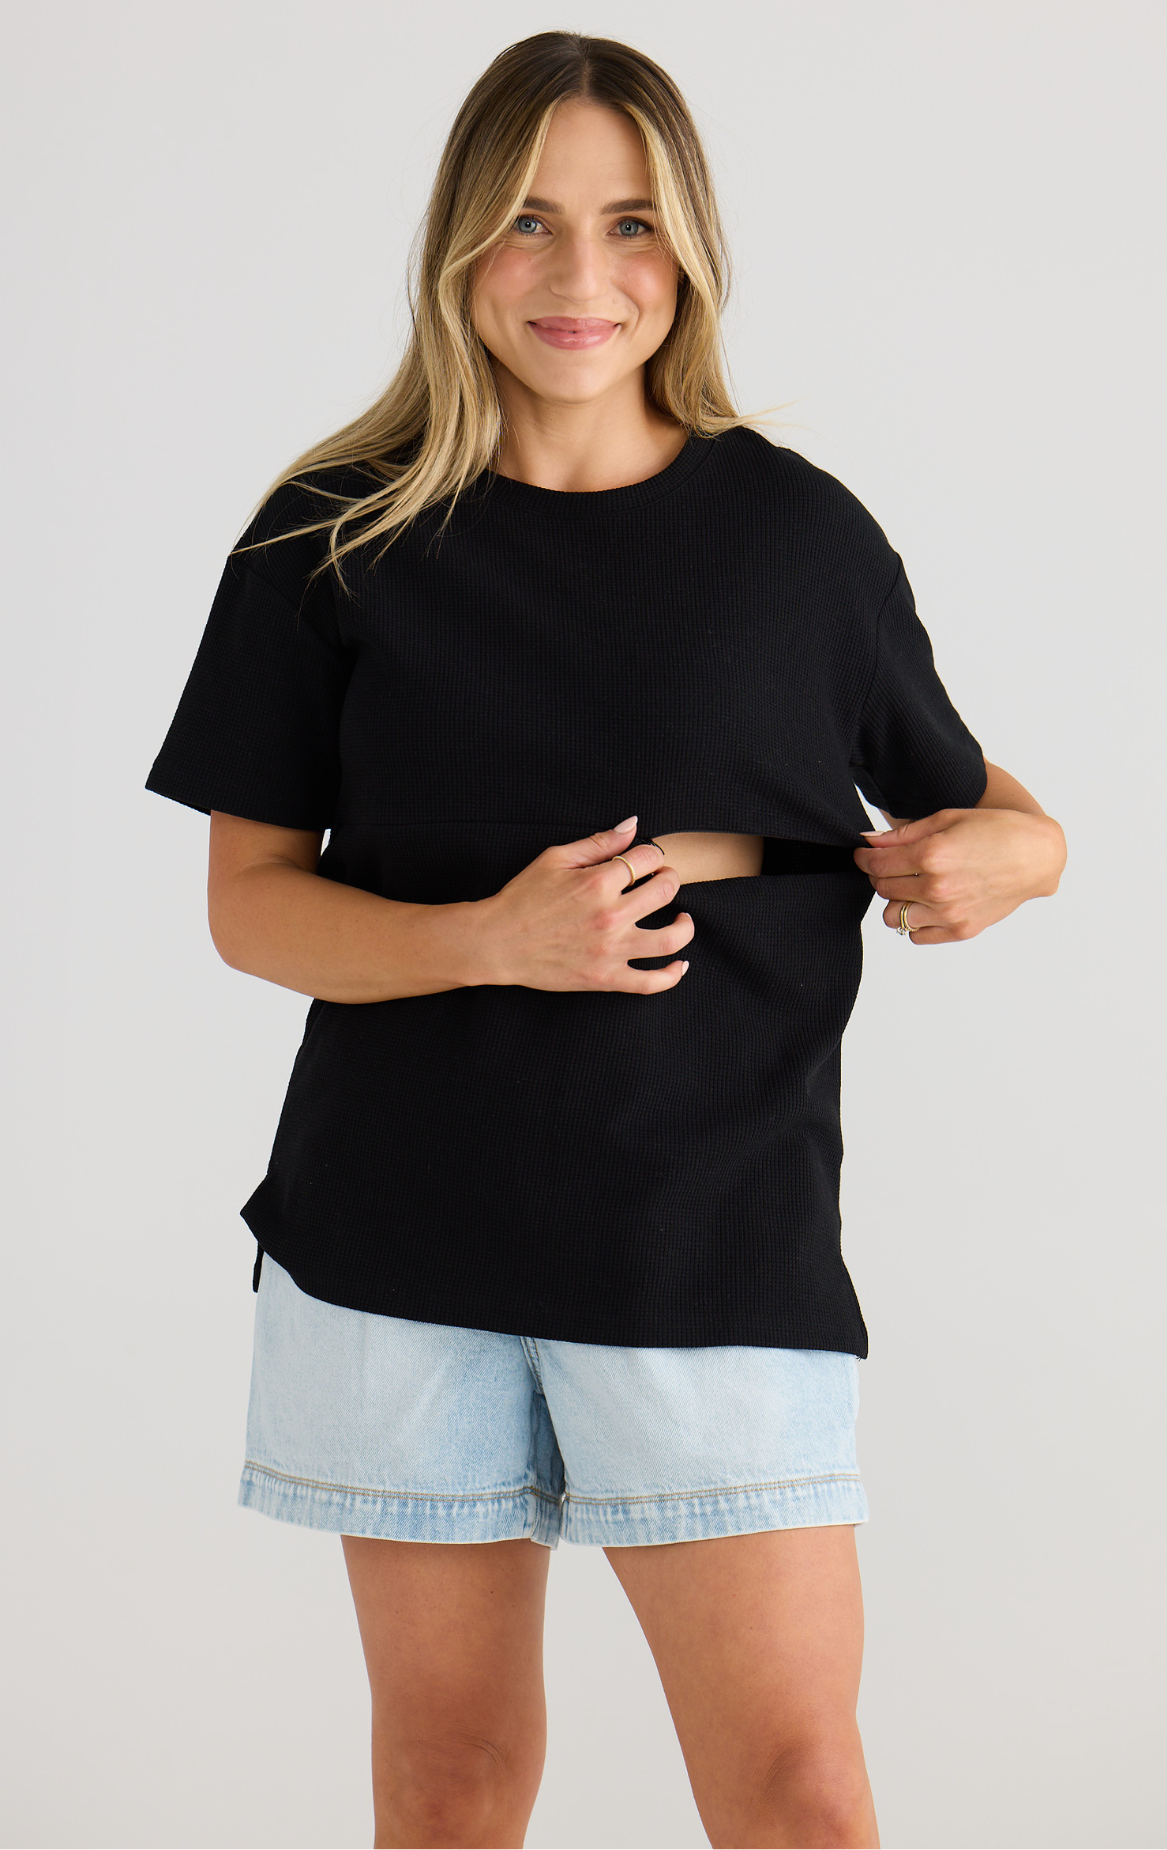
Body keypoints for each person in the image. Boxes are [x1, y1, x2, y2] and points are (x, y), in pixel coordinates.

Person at [144, 31, 1066, 1850]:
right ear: (457, 244)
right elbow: (250, 905)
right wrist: (493, 938)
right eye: (528, 220)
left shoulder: (798, 537)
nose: (581, 274)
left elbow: (984, 801)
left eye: (631, 222)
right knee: (448, 1781)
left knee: (800, 1789)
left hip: (711, 1226)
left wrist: (1023, 857)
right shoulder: (335, 533)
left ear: (690, 246)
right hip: (399, 1238)